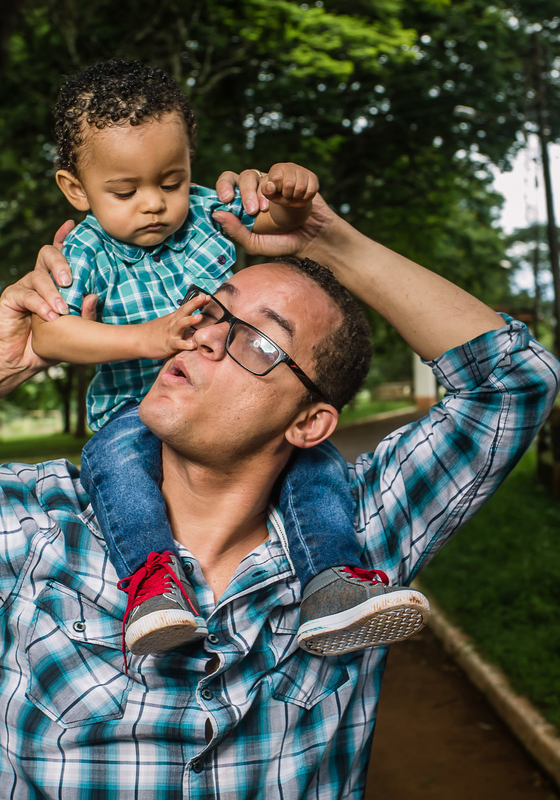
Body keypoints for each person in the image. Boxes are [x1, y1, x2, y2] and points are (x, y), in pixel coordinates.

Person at [0, 173, 560, 798]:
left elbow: (512, 381)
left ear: (309, 424)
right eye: (212, 310)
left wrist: (327, 240)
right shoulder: (37, 526)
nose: (204, 339)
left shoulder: (364, 536)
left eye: (258, 345)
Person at [31, 59, 427, 660]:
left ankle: (332, 584)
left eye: (169, 180)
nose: (154, 205)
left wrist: (292, 193)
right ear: (76, 189)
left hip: (220, 401)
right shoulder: (85, 251)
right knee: (118, 468)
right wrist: (147, 337)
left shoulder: (203, 216)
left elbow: (284, 222)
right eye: (125, 191)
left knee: (313, 465)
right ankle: (153, 587)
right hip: (132, 411)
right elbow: (53, 337)